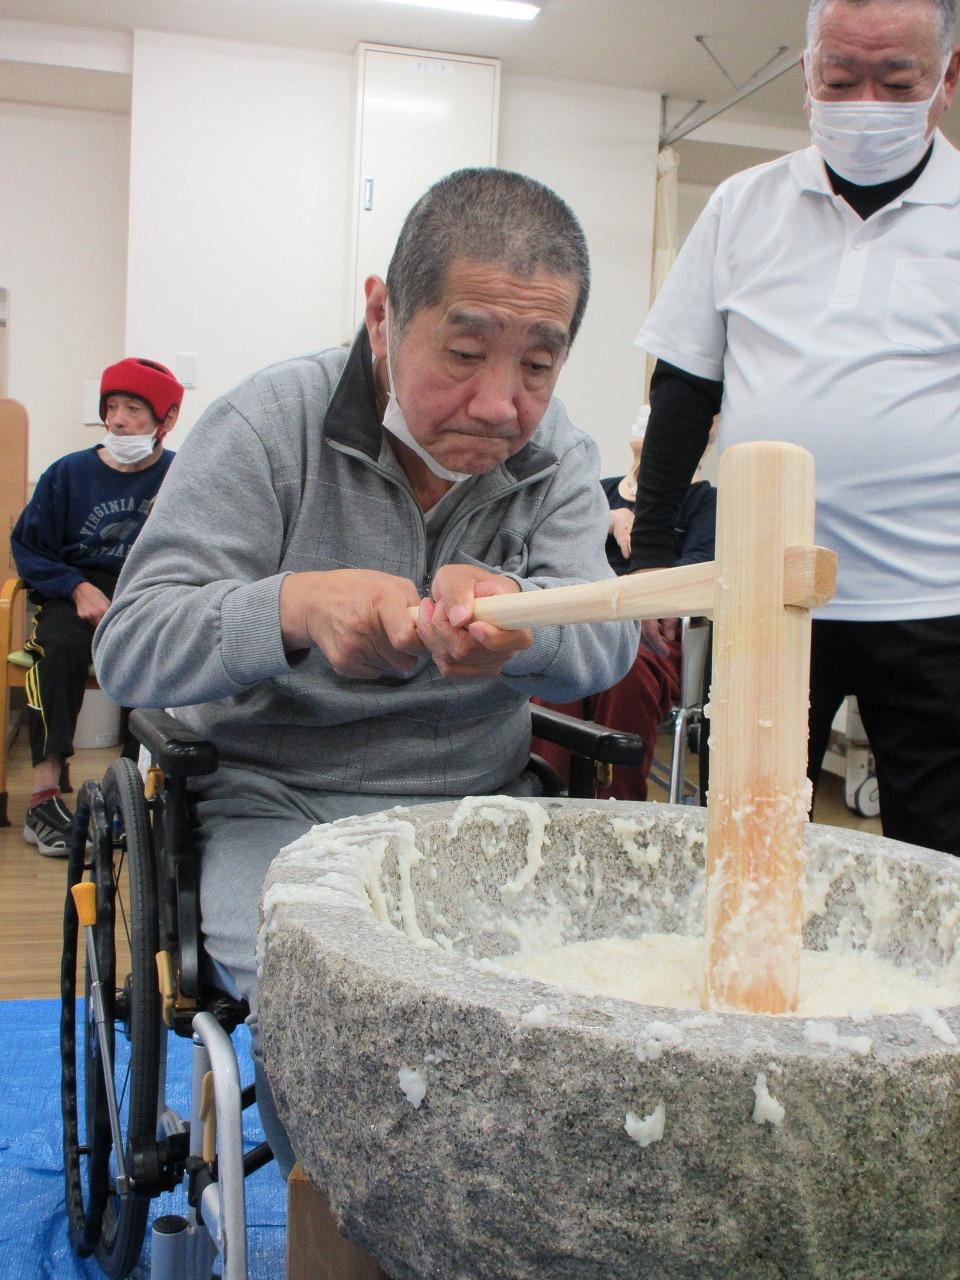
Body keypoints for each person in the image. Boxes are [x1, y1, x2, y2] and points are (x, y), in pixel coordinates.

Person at [93, 167, 640, 1174]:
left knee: (577, 1024)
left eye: (537, 366)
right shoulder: (269, 425)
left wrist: (522, 626)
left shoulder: (555, 454)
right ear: (383, 314)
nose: (498, 404)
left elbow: (609, 638)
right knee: (353, 1025)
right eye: (465, 352)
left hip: (480, 811)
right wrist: (293, 607)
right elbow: (130, 642)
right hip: (283, 807)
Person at [630, 0, 960, 856]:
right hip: (767, 594)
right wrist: (654, 565)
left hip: (935, 602)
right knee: (749, 841)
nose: (865, 103)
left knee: (942, 857)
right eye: (841, 77)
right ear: (807, 74)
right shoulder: (743, 207)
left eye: (897, 81)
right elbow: (682, 395)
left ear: (948, 80)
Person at [10, 358, 181, 854]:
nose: (119, 421)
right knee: (57, 646)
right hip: (75, 588)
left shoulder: (181, 476)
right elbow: (30, 548)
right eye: (112, 408)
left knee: (162, 649)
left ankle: (137, 792)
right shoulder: (67, 474)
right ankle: (44, 797)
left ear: (165, 421)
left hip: (146, 592)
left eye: (133, 409)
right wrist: (77, 586)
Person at [532, 412, 716, 799]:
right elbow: (560, 547)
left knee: (625, 671)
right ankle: (550, 796)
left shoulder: (702, 501)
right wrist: (609, 519)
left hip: (657, 629)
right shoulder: (604, 493)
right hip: (590, 618)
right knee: (558, 665)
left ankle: (617, 806)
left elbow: (699, 568)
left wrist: (628, 595)